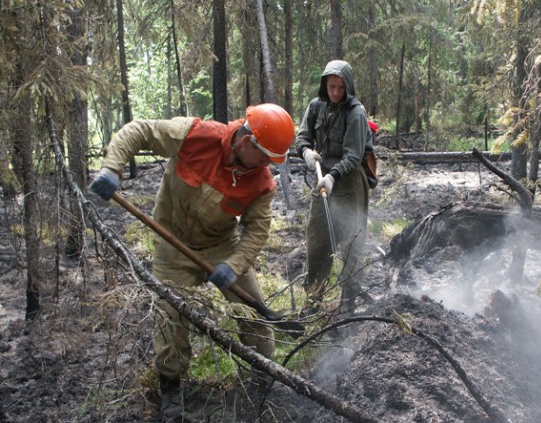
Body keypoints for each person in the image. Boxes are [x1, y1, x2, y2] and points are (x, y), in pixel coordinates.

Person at [89, 103, 294, 421]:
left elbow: (256, 233)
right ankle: (170, 387)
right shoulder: (197, 135)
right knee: (170, 320)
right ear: (245, 142)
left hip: (221, 247)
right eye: (265, 156)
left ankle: (264, 376)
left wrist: (234, 266)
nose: (267, 165)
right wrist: (112, 167)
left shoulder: (262, 182)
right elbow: (140, 130)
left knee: (254, 312)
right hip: (173, 247)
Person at [295, 60, 373, 316]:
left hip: (349, 182)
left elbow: (353, 155)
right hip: (322, 181)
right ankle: (314, 303)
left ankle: (348, 306)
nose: (335, 92)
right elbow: (303, 136)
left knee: (351, 242)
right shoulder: (316, 107)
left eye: (340, 87)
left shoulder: (356, 113)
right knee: (317, 241)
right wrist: (305, 151)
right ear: (324, 85)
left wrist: (333, 176)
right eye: (331, 86)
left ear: (348, 86)